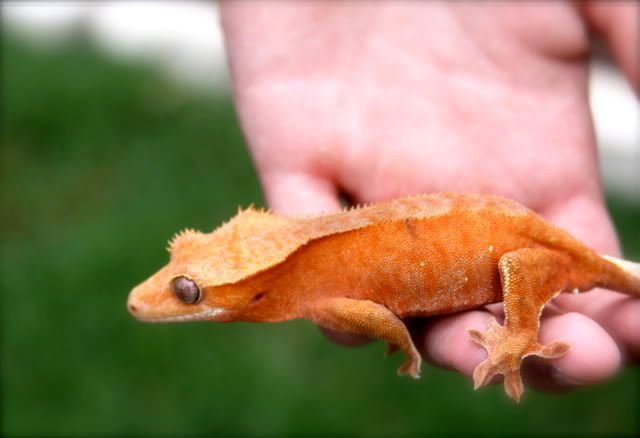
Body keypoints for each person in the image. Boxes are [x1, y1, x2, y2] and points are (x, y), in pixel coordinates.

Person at [219, 1, 639, 393]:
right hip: (506, 232)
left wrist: (520, 335)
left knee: (522, 265)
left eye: (190, 292)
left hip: (525, 249)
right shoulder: (312, 282)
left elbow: (386, 319)